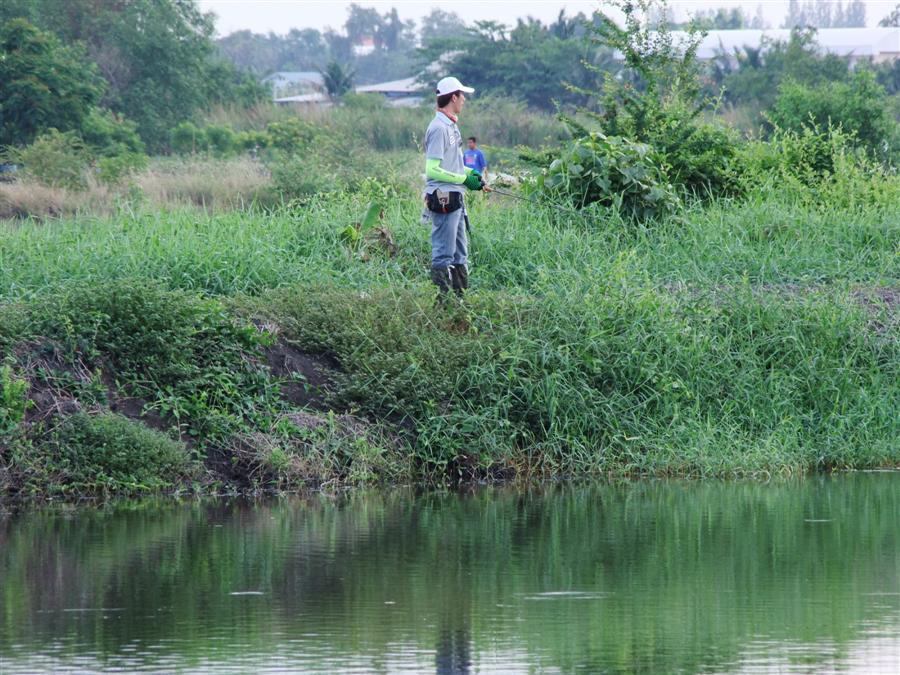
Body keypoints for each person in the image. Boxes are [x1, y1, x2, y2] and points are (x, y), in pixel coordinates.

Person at [423, 76, 484, 301]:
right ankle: (442, 304)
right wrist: (461, 178)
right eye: (462, 95)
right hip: (443, 197)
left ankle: (460, 302)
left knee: (460, 253)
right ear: (454, 97)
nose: (465, 100)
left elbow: (456, 166)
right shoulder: (438, 128)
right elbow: (432, 169)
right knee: (443, 254)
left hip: (456, 196)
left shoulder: (452, 126)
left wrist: (474, 178)